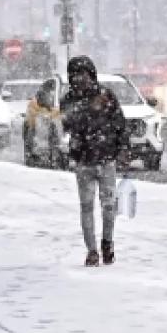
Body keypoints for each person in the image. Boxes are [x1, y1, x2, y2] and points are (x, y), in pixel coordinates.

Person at [60, 55, 128, 266]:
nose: (81, 80)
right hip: (84, 161)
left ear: (91, 75)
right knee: (87, 206)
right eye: (76, 76)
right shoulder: (69, 100)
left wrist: (122, 148)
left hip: (106, 160)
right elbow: (67, 125)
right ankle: (92, 251)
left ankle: (107, 242)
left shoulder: (107, 96)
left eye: (84, 75)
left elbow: (120, 124)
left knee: (108, 206)